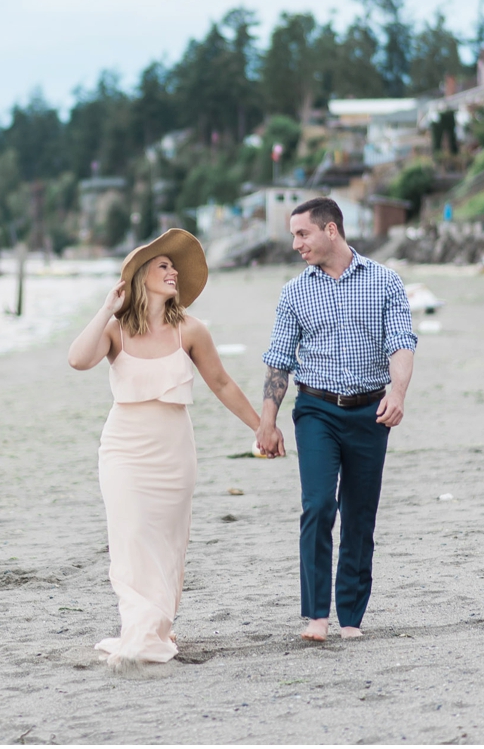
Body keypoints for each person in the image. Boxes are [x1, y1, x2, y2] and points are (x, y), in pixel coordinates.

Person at [67, 229, 263, 666]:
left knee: (168, 543)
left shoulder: (191, 330)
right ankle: (139, 628)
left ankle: (157, 626)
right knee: (131, 538)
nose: (173, 271)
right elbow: (78, 359)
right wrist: (105, 309)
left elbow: (222, 383)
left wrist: (261, 427)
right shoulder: (116, 330)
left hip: (173, 451)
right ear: (140, 277)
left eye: (174, 267)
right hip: (123, 449)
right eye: (163, 265)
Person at [256, 197, 417, 642]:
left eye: (302, 233)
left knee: (360, 515)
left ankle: (350, 618)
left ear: (330, 230)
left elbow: (402, 342)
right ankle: (316, 616)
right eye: (293, 235)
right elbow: (278, 362)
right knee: (320, 505)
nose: (295, 244)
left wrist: (398, 393)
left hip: (371, 410)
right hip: (316, 410)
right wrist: (267, 422)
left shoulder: (385, 282)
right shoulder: (294, 292)